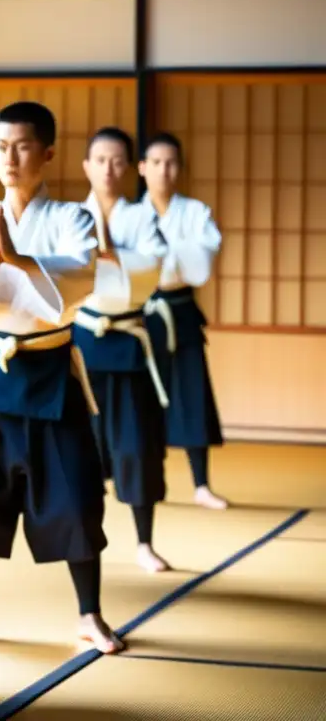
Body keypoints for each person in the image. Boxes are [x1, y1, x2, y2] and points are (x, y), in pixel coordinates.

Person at [0, 101, 124, 656]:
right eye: (0, 146)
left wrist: (23, 260)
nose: (10, 158)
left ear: (49, 152)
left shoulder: (73, 219)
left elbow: (83, 273)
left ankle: (90, 614)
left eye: (23, 146)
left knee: (76, 495)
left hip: (49, 369)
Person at [73, 127, 172, 573]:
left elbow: (153, 265)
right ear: (86, 167)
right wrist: (104, 258)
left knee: (136, 446)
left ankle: (145, 542)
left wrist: (110, 254)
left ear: (131, 168)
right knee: (81, 448)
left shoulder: (142, 217)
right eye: (100, 160)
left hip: (128, 341)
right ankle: (82, 539)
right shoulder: (73, 216)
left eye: (117, 161)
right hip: (83, 343)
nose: (108, 170)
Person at [139, 133, 228, 511]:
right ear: (142, 168)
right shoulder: (130, 214)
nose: (164, 170)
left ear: (180, 168)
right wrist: (173, 257)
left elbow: (202, 264)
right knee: (142, 399)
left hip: (181, 309)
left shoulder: (196, 213)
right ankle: (147, 483)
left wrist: (159, 261)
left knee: (192, 392)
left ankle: (201, 484)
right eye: (156, 162)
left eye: (171, 162)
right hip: (141, 314)